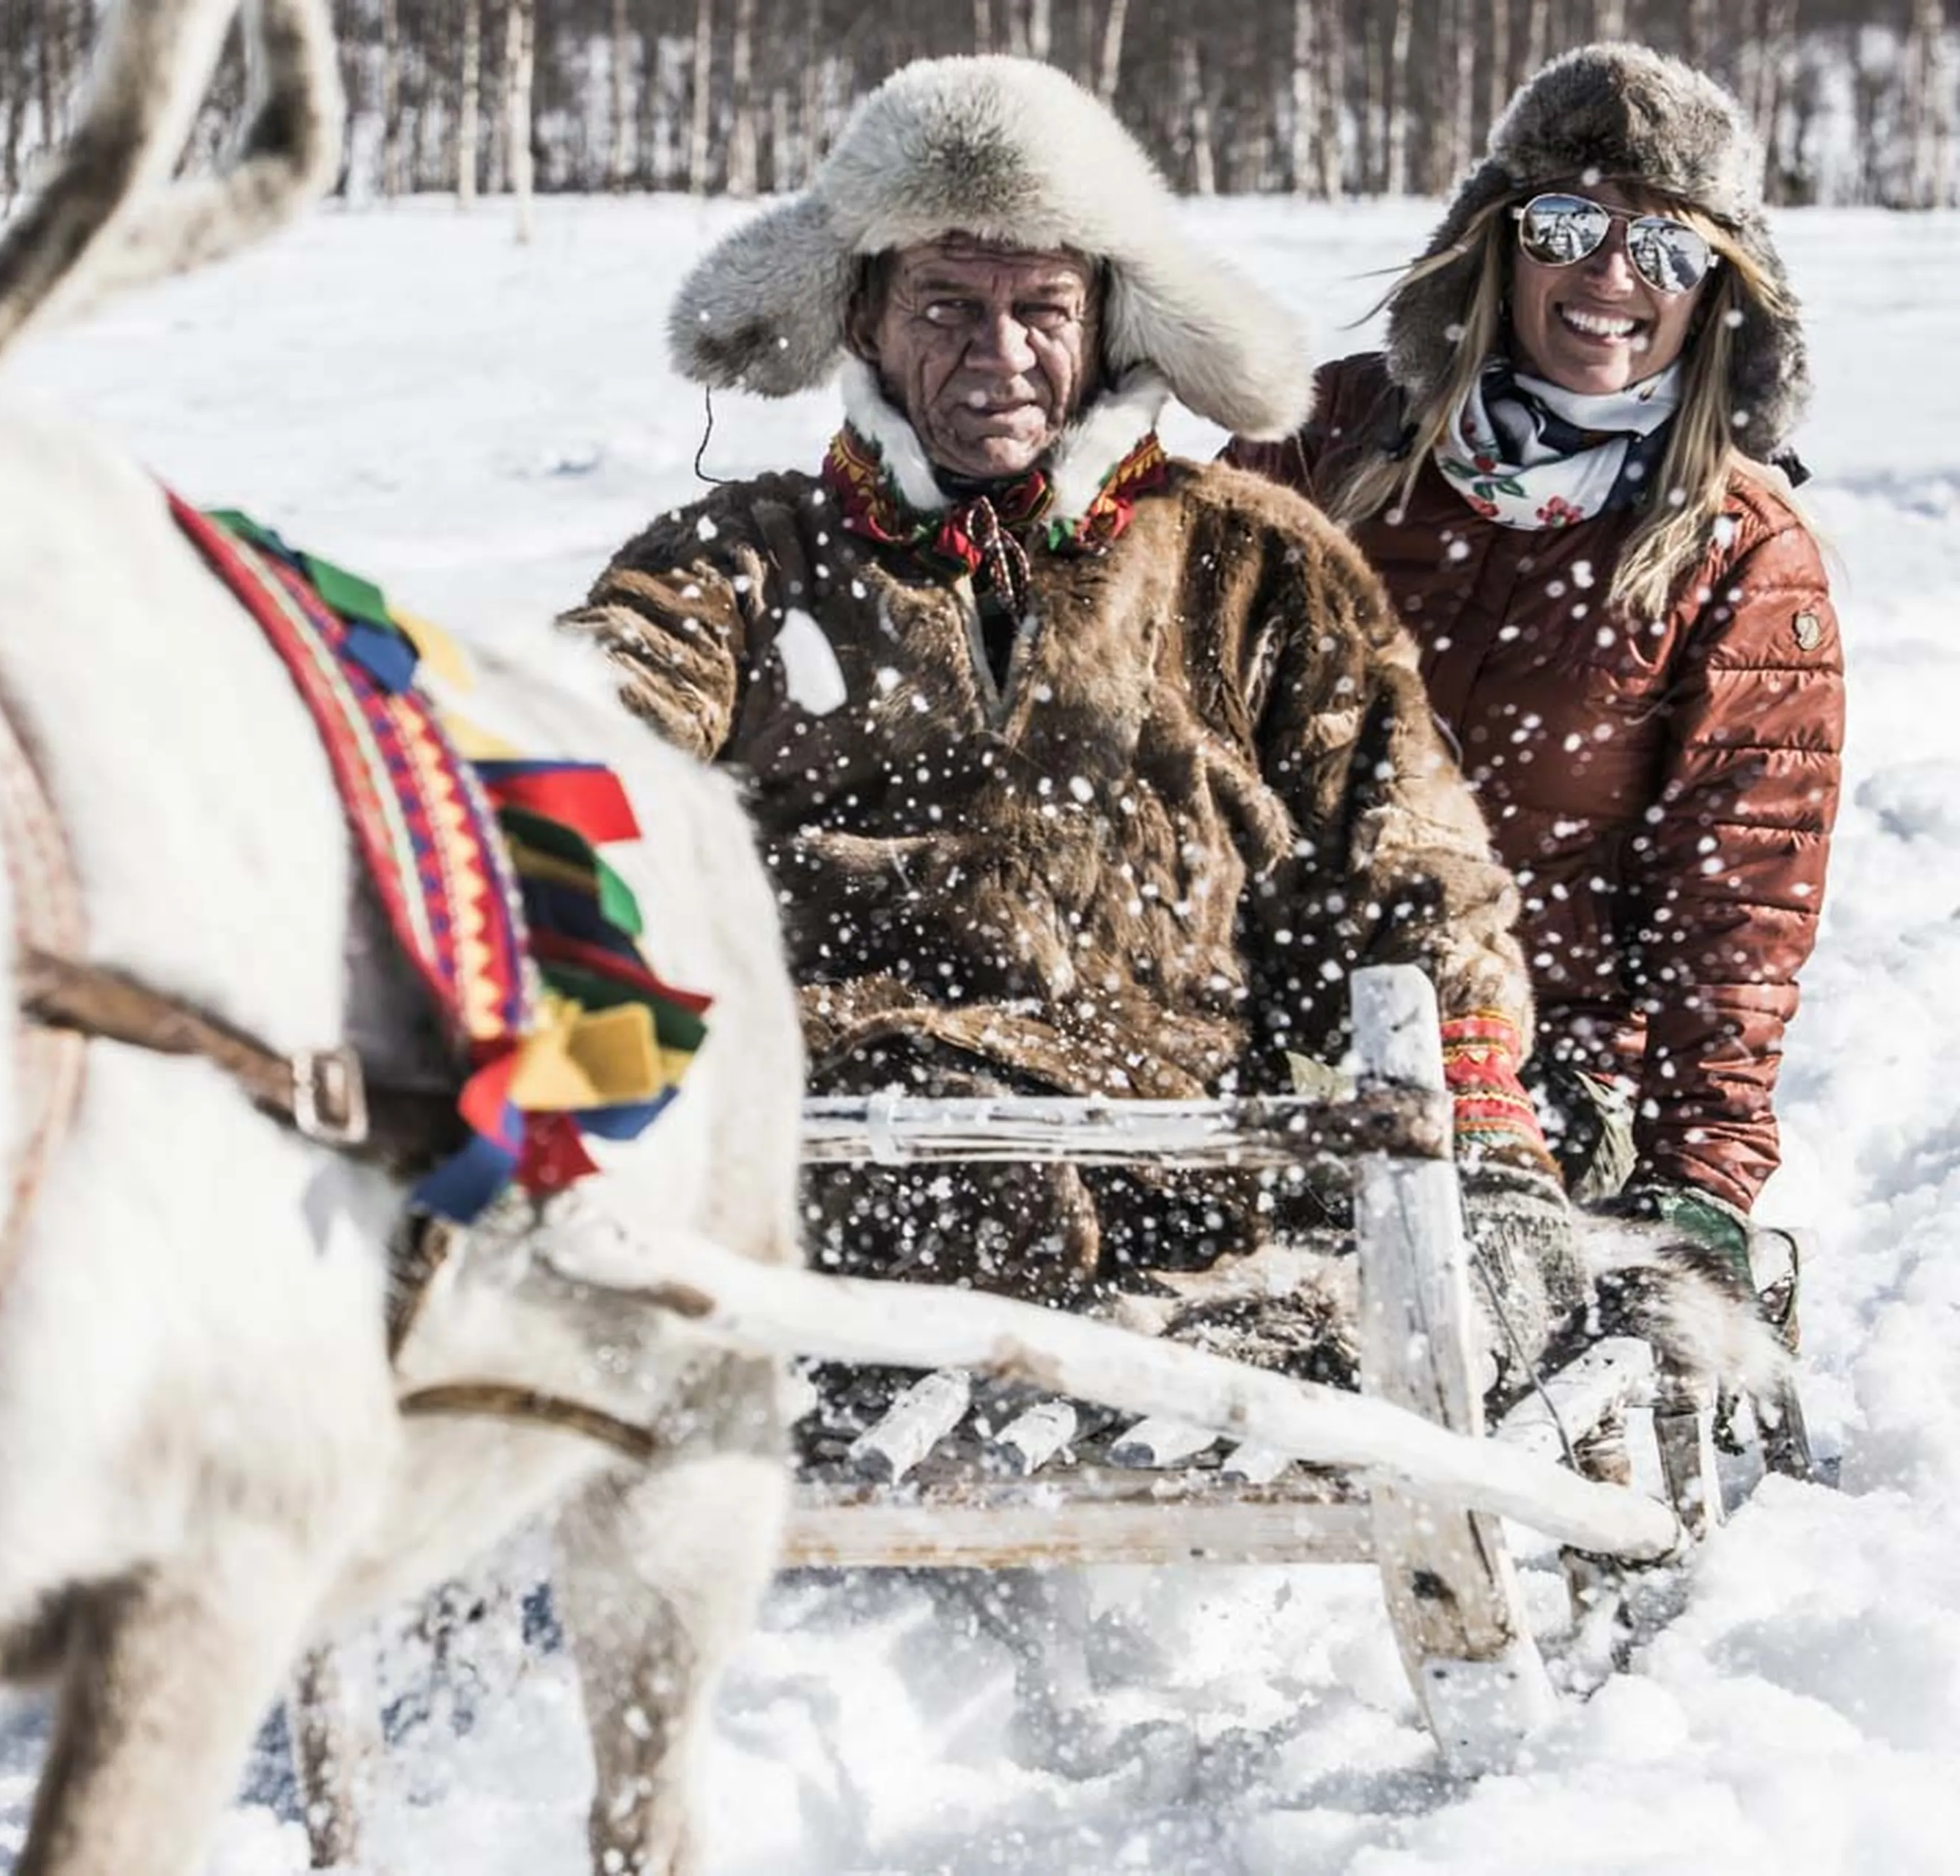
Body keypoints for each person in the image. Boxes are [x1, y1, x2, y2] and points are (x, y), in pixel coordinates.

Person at [562, 55, 1583, 1391]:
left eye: (1041, 308)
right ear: (863, 318)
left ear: (1106, 322)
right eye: (946, 305)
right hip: (825, 1177)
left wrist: (1486, 1122)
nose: (999, 356)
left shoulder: (1253, 564)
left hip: (1180, 1190)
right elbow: (583, 740)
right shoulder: (742, 562)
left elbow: (1419, 861)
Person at [1226, 45, 1841, 1306]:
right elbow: (1170, 727)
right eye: (1570, 223)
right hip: (1272, 1017)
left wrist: (1701, 1178)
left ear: (1716, 289)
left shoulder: (1737, 546)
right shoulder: (1327, 441)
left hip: (1544, 1071)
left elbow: (1736, 903)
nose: (1613, 275)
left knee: (1429, 1314)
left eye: (1667, 247)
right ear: (1498, 242)